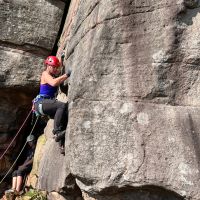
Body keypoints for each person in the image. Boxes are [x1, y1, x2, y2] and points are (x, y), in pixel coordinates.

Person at [33, 55, 70, 153]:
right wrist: (67, 75)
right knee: (61, 105)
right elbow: (53, 83)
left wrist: (61, 59)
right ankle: (57, 132)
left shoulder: (54, 74)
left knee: (63, 117)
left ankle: (61, 145)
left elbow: (59, 70)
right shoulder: (45, 74)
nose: (55, 69)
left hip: (46, 104)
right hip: (41, 103)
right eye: (53, 67)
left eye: (55, 67)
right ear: (48, 66)